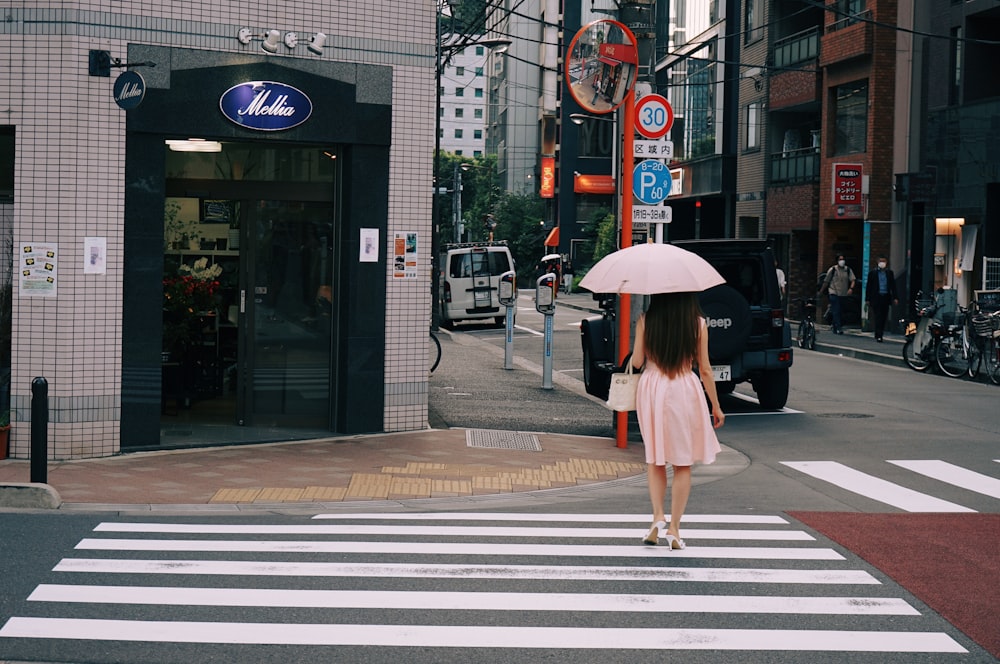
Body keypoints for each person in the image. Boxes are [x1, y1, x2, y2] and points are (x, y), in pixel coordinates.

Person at [630, 292, 725, 549]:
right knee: (683, 463)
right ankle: (674, 528)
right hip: (684, 386)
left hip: (652, 387)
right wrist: (715, 405)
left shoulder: (645, 320)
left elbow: (637, 361)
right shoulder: (698, 324)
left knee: (655, 457)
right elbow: (704, 368)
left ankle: (657, 517)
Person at [819, 254, 856, 334]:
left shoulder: (848, 270)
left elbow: (853, 280)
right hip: (833, 292)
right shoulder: (832, 270)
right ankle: (838, 327)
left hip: (843, 293)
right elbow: (826, 281)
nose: (842, 261)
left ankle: (835, 324)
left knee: (841, 310)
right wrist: (821, 291)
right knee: (836, 309)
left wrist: (851, 288)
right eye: (840, 259)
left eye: (843, 259)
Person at [865, 255, 898, 342]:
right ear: (877, 262)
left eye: (884, 261)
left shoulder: (889, 273)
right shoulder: (873, 273)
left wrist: (895, 297)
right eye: (881, 261)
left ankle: (880, 333)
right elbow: (869, 286)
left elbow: (893, 286)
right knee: (878, 316)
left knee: (884, 317)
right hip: (876, 297)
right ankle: (878, 334)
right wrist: (867, 299)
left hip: (885, 297)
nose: (882, 263)